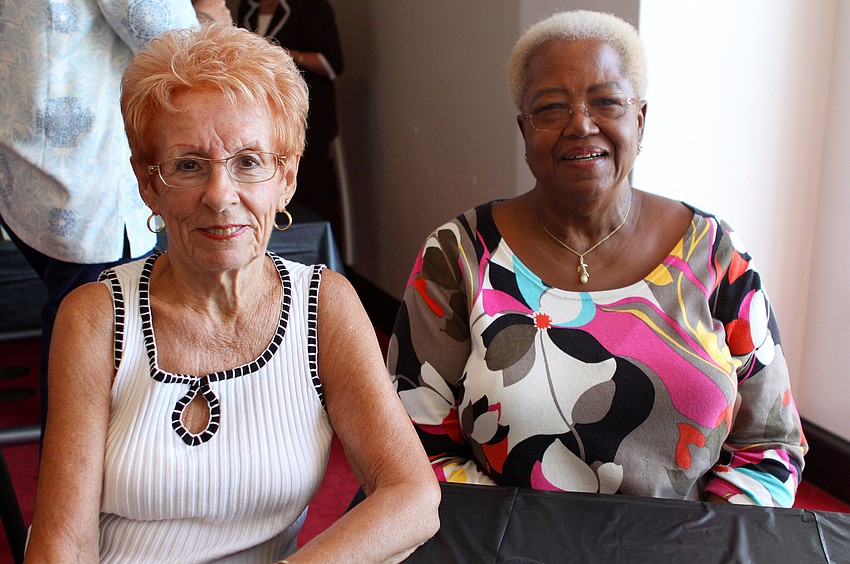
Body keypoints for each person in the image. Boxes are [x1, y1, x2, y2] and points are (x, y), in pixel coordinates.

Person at [26, 24, 439, 562]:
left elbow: (412, 494)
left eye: (248, 162)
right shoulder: (95, 315)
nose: (220, 196)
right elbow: (63, 543)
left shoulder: (325, 304)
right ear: (148, 182)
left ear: (286, 176)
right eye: (188, 165)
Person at [389, 10, 807, 506]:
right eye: (551, 108)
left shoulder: (715, 254)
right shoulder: (457, 256)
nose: (581, 124)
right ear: (524, 130)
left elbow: (770, 446)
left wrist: (704, 547)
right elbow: (414, 450)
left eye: (606, 101)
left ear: (640, 119)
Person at [0, 0, 232, 436]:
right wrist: (210, 14)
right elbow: (182, 46)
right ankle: (76, 489)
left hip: (25, 168)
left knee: (83, 337)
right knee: (89, 354)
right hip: (82, 183)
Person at [237, 0, 345, 240]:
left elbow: (332, 65)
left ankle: (304, 251)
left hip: (308, 118)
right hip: (260, 116)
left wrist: (284, 55)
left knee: (305, 188)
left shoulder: (312, 7)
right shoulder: (248, 7)